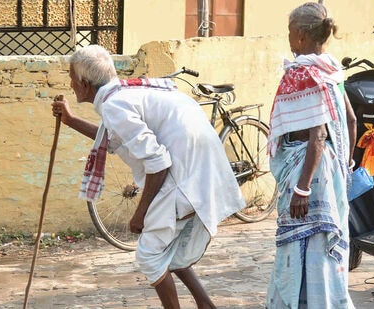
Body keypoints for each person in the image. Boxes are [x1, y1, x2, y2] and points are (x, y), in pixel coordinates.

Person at [51, 44, 245, 308]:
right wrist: (71, 121)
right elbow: (112, 140)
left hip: (183, 177)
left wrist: (140, 212)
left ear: (84, 84)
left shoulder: (115, 104)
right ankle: (205, 304)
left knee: (150, 257)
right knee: (165, 249)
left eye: (72, 79)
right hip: (197, 170)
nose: (71, 85)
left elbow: (159, 162)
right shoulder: (124, 94)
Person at [265, 2, 357, 308]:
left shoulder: (304, 73)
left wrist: (302, 188)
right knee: (319, 249)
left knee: (300, 250)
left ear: (302, 36)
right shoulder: (331, 68)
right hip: (327, 169)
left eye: (290, 32)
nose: (288, 39)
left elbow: (317, 135)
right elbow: (351, 121)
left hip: (309, 172)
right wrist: (343, 165)